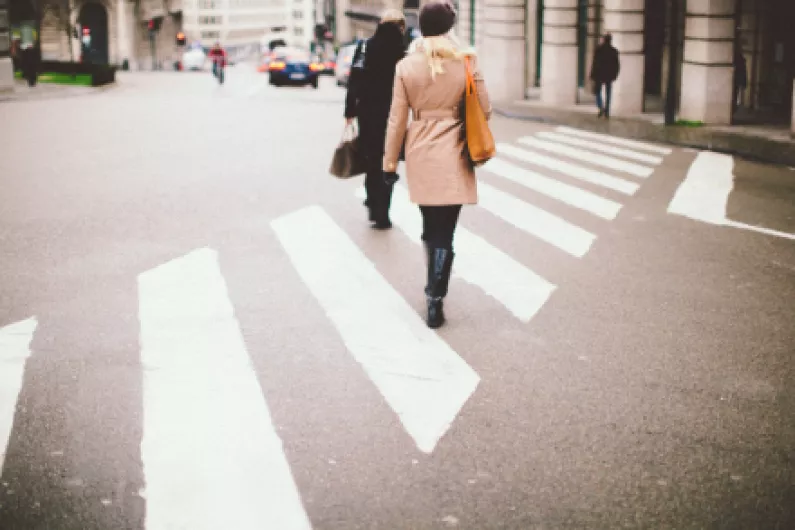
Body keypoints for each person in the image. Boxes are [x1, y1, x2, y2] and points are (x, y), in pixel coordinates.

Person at [382, 1, 491, 329]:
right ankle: (436, 296)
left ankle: (433, 292)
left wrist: (389, 164)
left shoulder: (406, 66)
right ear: (448, 27)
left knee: (430, 227)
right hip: (456, 151)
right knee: (447, 231)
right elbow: (484, 108)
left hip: (421, 152)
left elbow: (396, 120)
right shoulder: (467, 61)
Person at [344, 9, 407, 230]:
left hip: (368, 114)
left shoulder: (364, 47)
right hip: (395, 115)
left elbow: (355, 81)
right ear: (400, 26)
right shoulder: (404, 52)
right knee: (389, 163)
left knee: (372, 160)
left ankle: (373, 203)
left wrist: (349, 111)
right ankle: (383, 213)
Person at [589, 33, 620, 118]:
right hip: (609, 75)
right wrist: (615, 75)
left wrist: (592, 74)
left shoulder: (598, 50)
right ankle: (607, 110)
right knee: (608, 93)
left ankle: (600, 107)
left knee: (597, 92)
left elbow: (595, 63)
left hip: (599, 74)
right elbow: (617, 65)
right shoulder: (614, 51)